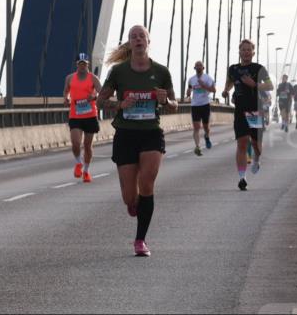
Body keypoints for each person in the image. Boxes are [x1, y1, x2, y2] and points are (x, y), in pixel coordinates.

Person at [96, 25, 177, 257]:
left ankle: (140, 240)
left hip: (151, 132)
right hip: (126, 134)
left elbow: (174, 105)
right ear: (130, 44)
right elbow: (101, 101)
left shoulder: (161, 72)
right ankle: (135, 203)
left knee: (147, 183)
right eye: (134, 36)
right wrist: (119, 105)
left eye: (142, 36)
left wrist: (165, 101)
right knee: (129, 197)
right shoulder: (119, 72)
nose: (138, 39)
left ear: (148, 41)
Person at [222, 39, 273, 189]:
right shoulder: (233, 69)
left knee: (256, 145)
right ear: (239, 52)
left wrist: (255, 84)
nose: (246, 52)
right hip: (239, 111)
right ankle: (242, 178)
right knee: (242, 142)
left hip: (255, 110)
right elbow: (230, 82)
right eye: (243, 50)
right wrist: (226, 90)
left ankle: (257, 159)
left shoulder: (259, 68)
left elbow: (270, 85)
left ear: (253, 52)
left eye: (248, 50)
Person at [63, 53, 102, 182]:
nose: (82, 66)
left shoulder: (93, 78)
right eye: (80, 64)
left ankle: (86, 171)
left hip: (90, 115)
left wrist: (94, 97)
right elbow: (66, 91)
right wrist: (66, 99)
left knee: (87, 145)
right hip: (75, 115)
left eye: (84, 64)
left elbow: (102, 93)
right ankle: (78, 163)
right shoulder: (69, 78)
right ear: (77, 65)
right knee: (75, 143)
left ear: (88, 65)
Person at [185, 60, 216, 155]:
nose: (198, 67)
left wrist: (204, 86)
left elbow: (214, 90)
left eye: (200, 66)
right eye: (197, 66)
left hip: (205, 104)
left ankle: (207, 136)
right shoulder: (191, 79)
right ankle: (197, 146)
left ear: (203, 68)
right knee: (196, 127)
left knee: (206, 127)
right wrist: (188, 92)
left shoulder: (208, 78)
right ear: (194, 68)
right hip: (195, 105)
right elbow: (189, 89)